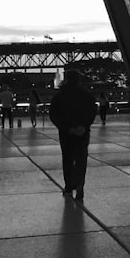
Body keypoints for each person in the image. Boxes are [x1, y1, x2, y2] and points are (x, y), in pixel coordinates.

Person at [49, 70, 97, 202]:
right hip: (82, 132)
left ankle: (69, 187)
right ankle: (80, 184)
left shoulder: (59, 96)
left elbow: (54, 115)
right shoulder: (86, 95)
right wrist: (84, 126)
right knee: (81, 159)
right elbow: (92, 111)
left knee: (68, 159)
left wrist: (67, 128)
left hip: (66, 133)